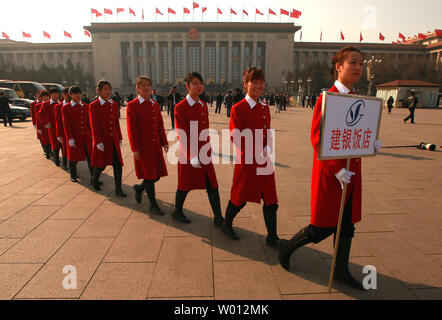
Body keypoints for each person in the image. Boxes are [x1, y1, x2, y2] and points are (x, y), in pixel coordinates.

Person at [278, 46, 382, 290]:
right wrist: (336, 169)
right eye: (353, 62)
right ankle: (287, 249)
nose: (358, 67)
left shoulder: (359, 99)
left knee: (347, 227)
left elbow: (355, 132)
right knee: (321, 228)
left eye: (361, 63)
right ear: (339, 66)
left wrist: (370, 142)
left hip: (352, 174)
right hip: (332, 175)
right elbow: (317, 139)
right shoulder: (329, 98)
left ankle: (341, 270)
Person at [221, 67, 286, 249]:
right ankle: (227, 224)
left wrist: (268, 147)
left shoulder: (264, 107)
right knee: (239, 198)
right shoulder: (238, 108)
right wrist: (258, 149)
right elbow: (235, 136)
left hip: (265, 161)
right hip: (248, 162)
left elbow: (267, 133)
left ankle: (272, 237)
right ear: (245, 84)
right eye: (254, 82)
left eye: (261, 82)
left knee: (271, 200)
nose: (258, 86)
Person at [172, 72, 224, 226]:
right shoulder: (180, 108)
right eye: (195, 83)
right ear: (188, 86)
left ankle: (218, 217)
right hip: (189, 154)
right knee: (184, 186)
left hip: (204, 153)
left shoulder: (202, 105)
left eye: (200, 82)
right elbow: (182, 135)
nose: (199, 85)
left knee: (212, 185)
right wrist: (192, 155)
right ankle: (177, 211)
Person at [127, 76, 169, 214]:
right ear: (138, 88)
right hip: (143, 148)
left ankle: (139, 189)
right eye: (143, 85)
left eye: (148, 85)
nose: (146, 88)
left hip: (155, 146)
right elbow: (131, 129)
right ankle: (153, 204)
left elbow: (160, 126)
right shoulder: (132, 105)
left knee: (155, 175)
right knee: (150, 177)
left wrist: (164, 142)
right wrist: (135, 148)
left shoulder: (154, 105)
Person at [89, 80, 127, 197]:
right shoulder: (93, 105)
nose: (107, 91)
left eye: (109, 89)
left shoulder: (113, 104)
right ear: (99, 91)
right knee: (101, 164)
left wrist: (119, 137)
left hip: (113, 139)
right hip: (102, 140)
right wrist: (98, 141)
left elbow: (116, 122)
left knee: (117, 164)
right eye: (105, 89)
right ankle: (95, 179)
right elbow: (94, 124)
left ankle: (118, 189)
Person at [62, 86, 93, 183]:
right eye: (75, 93)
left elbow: (88, 122)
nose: (78, 95)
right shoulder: (66, 108)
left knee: (90, 156)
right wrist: (70, 138)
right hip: (74, 136)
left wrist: (91, 134)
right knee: (74, 157)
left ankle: (93, 177)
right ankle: (73, 174)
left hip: (86, 136)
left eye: (79, 93)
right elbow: (66, 124)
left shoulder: (85, 106)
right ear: (70, 95)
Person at [38, 88, 61, 166]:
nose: (55, 96)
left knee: (62, 145)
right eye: (54, 95)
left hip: (60, 126)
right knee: (54, 144)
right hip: (52, 127)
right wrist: (45, 123)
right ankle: (56, 159)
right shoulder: (46, 104)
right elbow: (40, 114)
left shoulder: (61, 103)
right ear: (50, 95)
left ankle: (64, 161)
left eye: (57, 94)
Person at [55, 88, 70, 170]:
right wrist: (58, 134)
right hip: (63, 132)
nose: (68, 96)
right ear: (63, 95)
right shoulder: (58, 107)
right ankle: (65, 164)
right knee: (64, 150)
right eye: (66, 94)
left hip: (72, 131)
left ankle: (73, 168)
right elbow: (58, 121)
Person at [36, 91, 52, 159]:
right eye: (45, 98)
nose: (46, 99)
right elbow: (37, 117)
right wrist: (38, 127)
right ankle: (47, 152)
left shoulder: (51, 104)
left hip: (50, 125)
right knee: (45, 140)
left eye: (47, 98)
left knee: (51, 139)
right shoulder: (38, 106)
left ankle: (51, 151)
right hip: (43, 125)